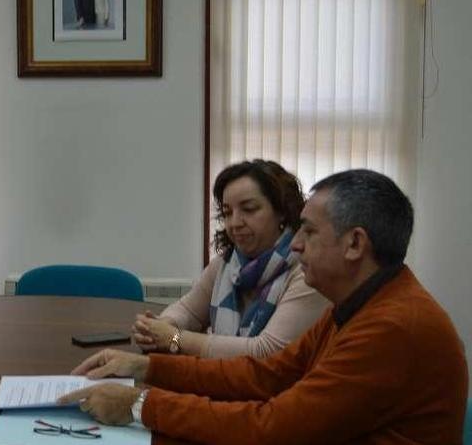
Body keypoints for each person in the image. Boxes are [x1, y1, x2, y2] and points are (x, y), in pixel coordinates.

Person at [60, 169, 468, 443]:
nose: (296, 244)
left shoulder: (393, 327)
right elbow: (265, 376)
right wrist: (149, 367)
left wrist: (140, 403)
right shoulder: (358, 305)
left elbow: (273, 428)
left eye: (308, 231)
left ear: (355, 244)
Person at [132, 160, 328, 358]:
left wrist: (175, 338)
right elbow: (188, 310)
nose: (234, 223)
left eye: (249, 209)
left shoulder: (307, 270)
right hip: (222, 381)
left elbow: (266, 352)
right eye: (227, 212)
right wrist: (161, 326)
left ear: (281, 212)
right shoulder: (227, 263)